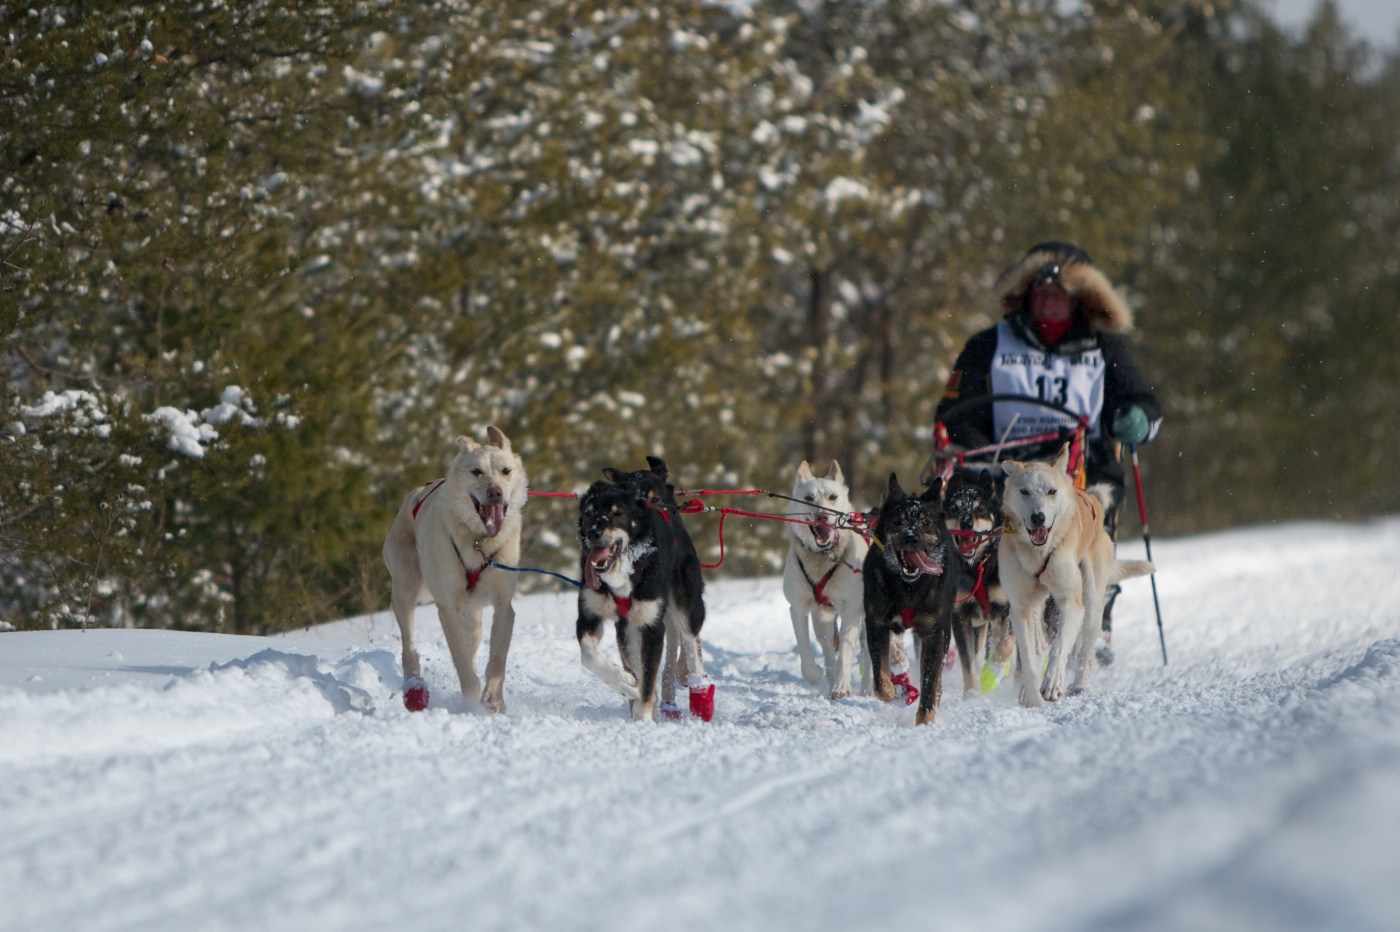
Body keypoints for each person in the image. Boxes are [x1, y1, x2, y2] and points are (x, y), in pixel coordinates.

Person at [934, 241, 1161, 662]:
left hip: (1083, 461)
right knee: (960, 507)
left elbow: (1142, 402)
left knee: (1097, 510)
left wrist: (1138, 418)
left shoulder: (1104, 348)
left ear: (1078, 300)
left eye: (1057, 294)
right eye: (1038, 292)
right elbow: (954, 410)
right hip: (1005, 460)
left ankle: (1095, 612)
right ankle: (967, 607)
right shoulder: (990, 343)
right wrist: (970, 445)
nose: (1046, 300)